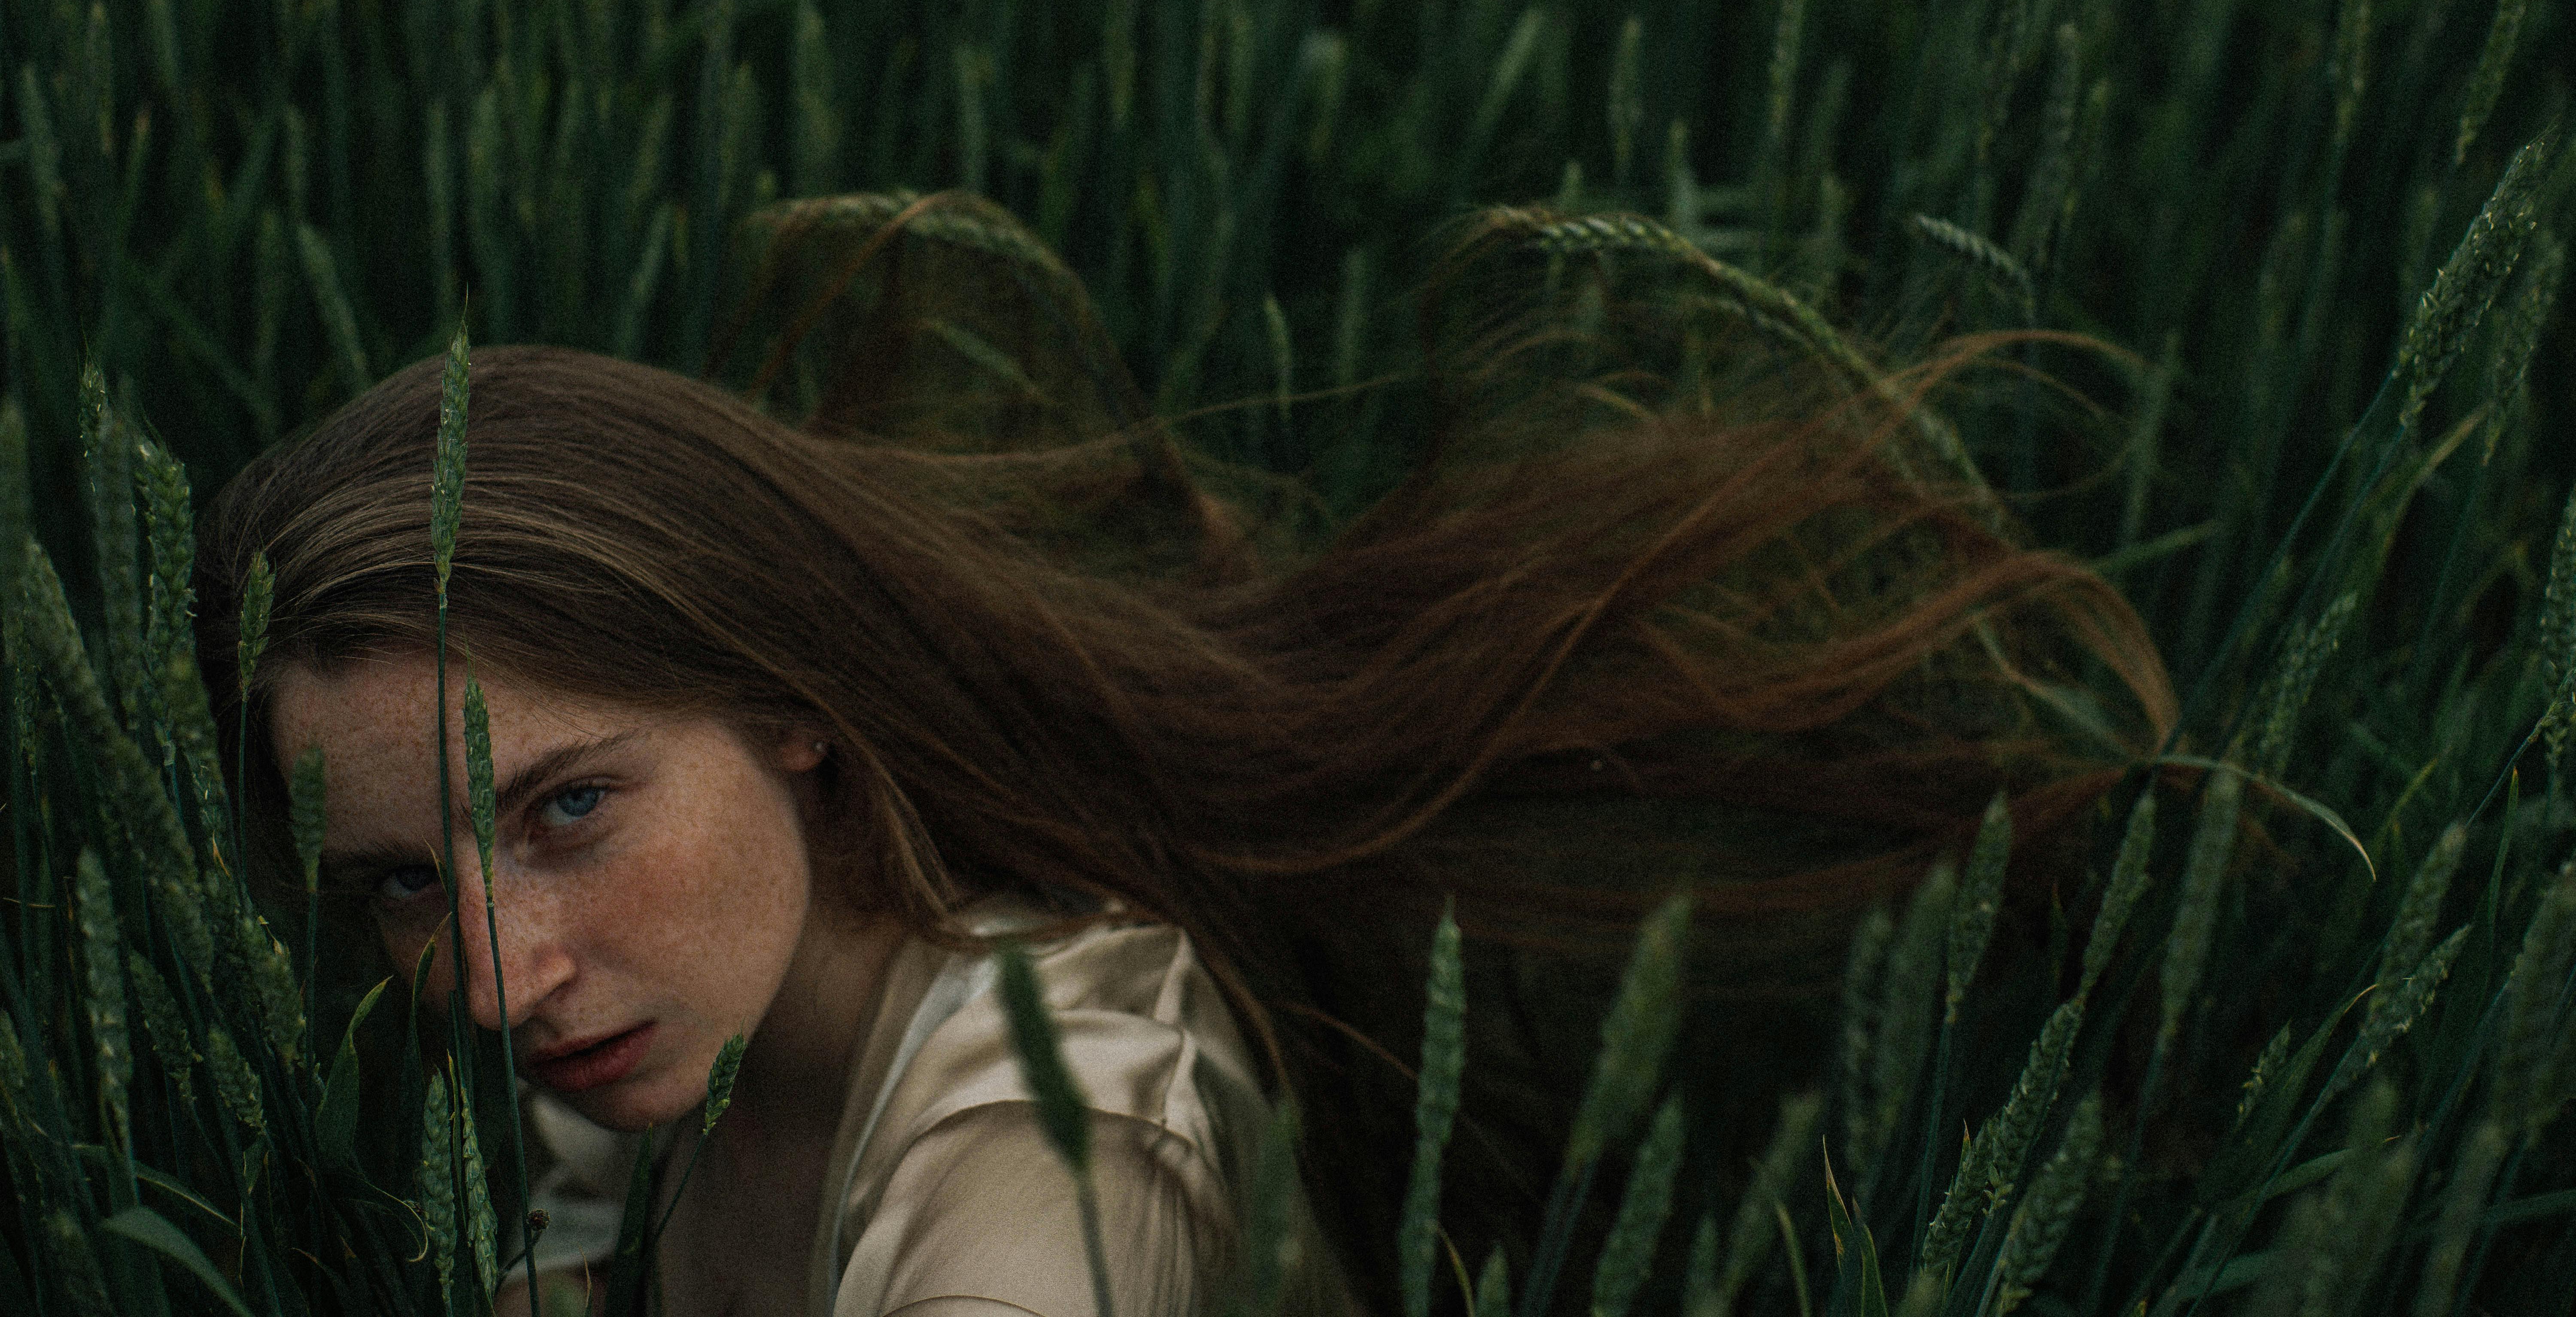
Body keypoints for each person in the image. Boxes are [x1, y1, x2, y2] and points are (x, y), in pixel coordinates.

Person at [194, 200, 2175, 1317]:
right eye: (392, 880)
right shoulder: (651, 1015)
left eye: (567, 809)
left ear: (794, 701)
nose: (488, 970)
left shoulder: (1056, 1122)